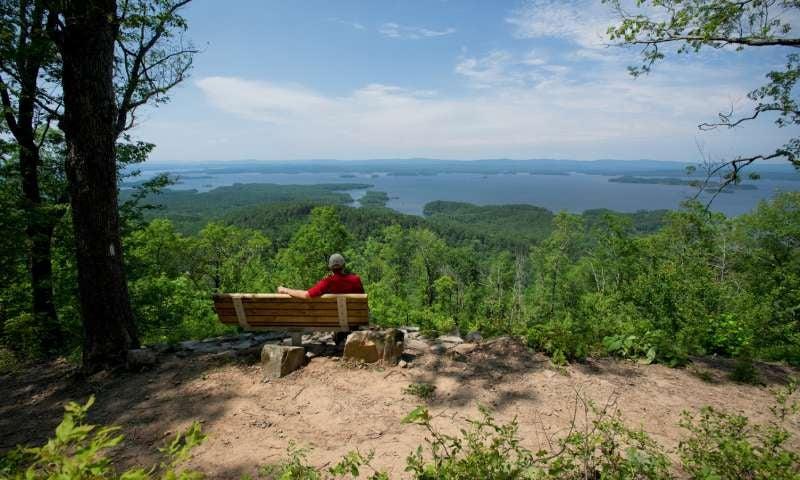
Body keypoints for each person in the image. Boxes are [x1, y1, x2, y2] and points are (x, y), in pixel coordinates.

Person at [277, 253, 364, 299]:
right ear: (344, 266)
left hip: (334, 320)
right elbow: (362, 300)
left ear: (330, 268)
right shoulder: (355, 279)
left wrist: (285, 290)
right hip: (355, 319)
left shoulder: (327, 282)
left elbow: (306, 295)